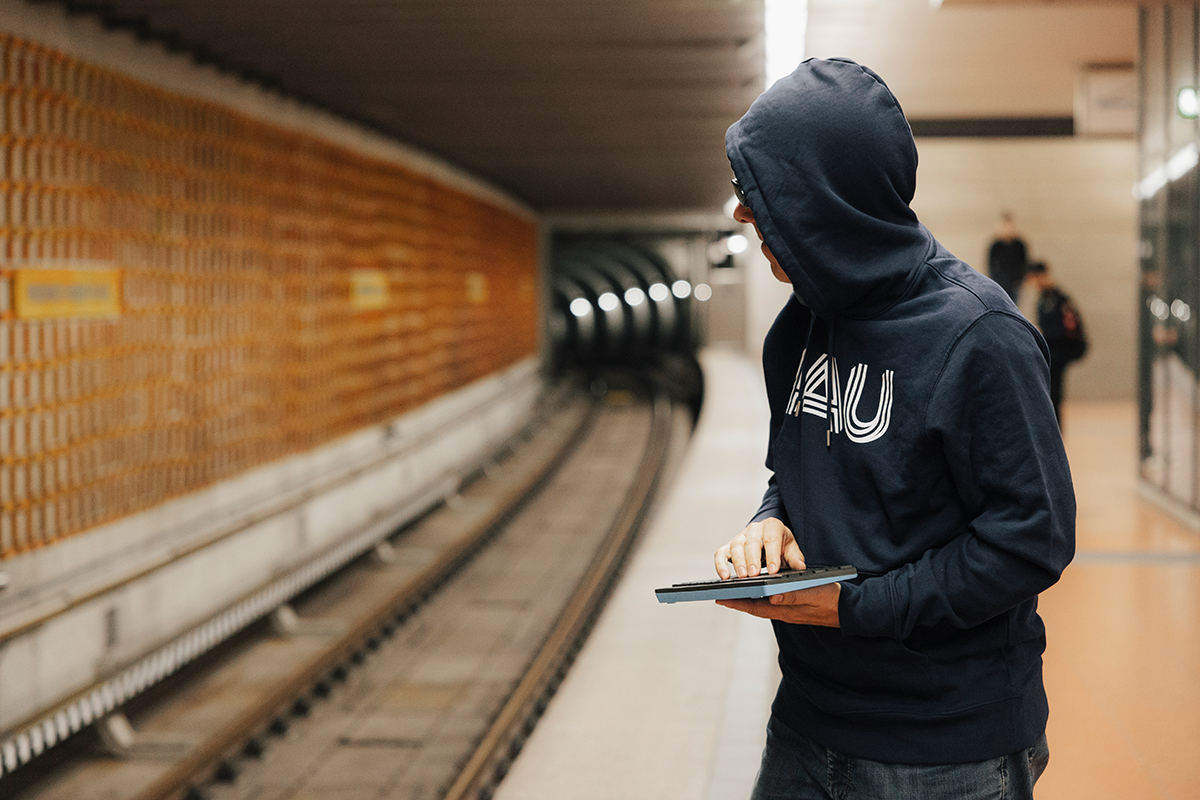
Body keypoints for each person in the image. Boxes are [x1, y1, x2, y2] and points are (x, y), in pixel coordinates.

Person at [716, 58, 1075, 800]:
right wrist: (770, 522)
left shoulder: (980, 337)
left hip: (944, 747)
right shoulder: (804, 322)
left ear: (827, 204)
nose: (742, 215)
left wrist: (853, 607)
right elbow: (798, 471)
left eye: (763, 194)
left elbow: (1030, 539)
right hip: (807, 720)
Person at [1025, 261, 1088, 425]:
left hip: (1059, 351)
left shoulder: (1058, 298)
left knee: (1054, 395)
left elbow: (1066, 328)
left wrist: (1044, 333)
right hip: (1052, 351)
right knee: (1050, 394)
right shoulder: (1043, 298)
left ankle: (1056, 430)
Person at [987, 211, 1029, 303]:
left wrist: (1020, 280)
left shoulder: (1019, 245)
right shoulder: (996, 245)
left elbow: (1024, 263)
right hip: (1000, 282)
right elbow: (990, 264)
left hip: (1014, 283)